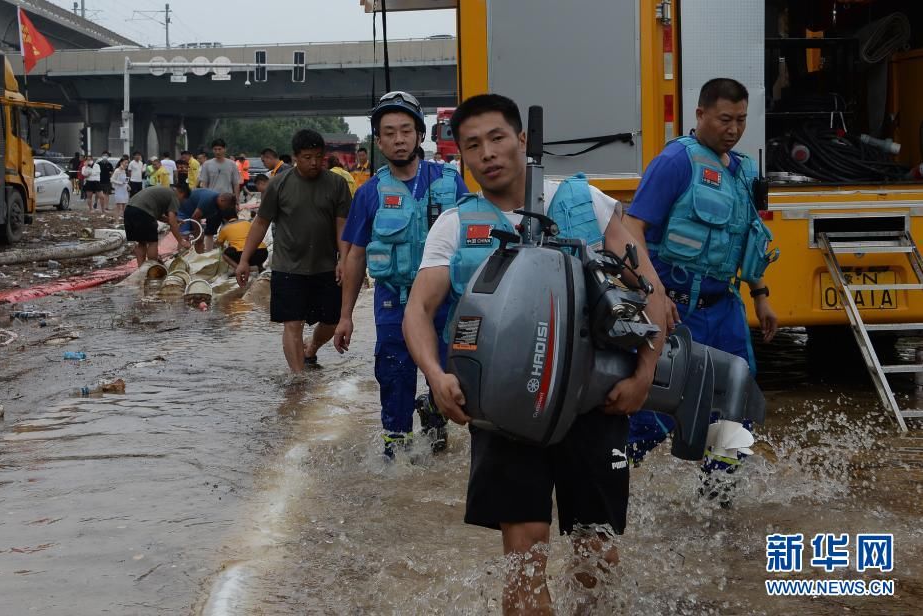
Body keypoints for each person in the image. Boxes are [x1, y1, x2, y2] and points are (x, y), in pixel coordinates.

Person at [402, 94, 669, 613]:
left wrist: (644, 376)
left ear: (523, 140)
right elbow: (417, 310)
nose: (487, 154)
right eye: (473, 146)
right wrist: (436, 376)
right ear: (462, 157)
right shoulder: (454, 225)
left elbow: (650, 290)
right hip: (504, 415)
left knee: (598, 561)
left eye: (498, 138)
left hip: (594, 404)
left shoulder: (583, 201)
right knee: (523, 564)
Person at [622, 78, 779, 478]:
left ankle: (718, 497)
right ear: (700, 115)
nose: (734, 129)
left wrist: (760, 295)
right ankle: (605, 485)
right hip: (676, 308)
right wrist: (654, 294)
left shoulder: (743, 171)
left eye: (741, 120)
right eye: (725, 119)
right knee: (653, 410)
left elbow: (747, 239)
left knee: (735, 404)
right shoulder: (676, 162)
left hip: (724, 310)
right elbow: (632, 229)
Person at [334, 91, 469, 458]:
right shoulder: (370, 193)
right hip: (394, 301)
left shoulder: (451, 183)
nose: (398, 139)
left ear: (420, 135)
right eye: (389, 133)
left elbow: (476, 242)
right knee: (394, 376)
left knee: (451, 376)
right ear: (378, 141)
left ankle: (433, 411)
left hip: (446, 303)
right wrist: (345, 316)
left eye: (406, 131)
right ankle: (396, 450)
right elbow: (355, 255)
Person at [235, 129, 352, 373]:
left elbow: (342, 225)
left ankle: (312, 349)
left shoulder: (336, 184)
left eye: (318, 157)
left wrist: (343, 258)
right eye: (307, 157)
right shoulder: (279, 184)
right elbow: (260, 223)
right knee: (293, 323)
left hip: (326, 266)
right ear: (296, 157)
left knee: (331, 320)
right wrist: (244, 259)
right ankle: (298, 379)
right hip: (288, 266)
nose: (313, 163)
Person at [123, 185, 190, 267]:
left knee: (141, 242)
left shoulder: (164, 192)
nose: (181, 202)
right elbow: (172, 223)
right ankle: (153, 268)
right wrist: (181, 241)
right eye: (182, 200)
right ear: (182, 194)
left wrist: (174, 220)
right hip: (143, 212)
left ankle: (141, 270)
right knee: (152, 242)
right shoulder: (174, 195)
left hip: (129, 210)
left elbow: (156, 215)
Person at [217, 199, 268, 271]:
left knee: (225, 254)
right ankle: (259, 267)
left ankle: (240, 269)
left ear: (224, 219)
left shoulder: (224, 228)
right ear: (236, 215)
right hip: (263, 253)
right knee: (254, 245)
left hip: (245, 255)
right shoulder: (246, 222)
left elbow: (219, 244)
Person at [177, 185, 227, 252]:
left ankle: (199, 258)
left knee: (200, 239)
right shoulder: (208, 200)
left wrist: (198, 234)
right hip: (183, 211)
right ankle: (179, 258)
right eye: (225, 207)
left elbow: (197, 216)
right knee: (185, 237)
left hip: (193, 212)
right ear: (222, 200)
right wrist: (198, 232)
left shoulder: (217, 204)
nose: (225, 209)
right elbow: (195, 217)